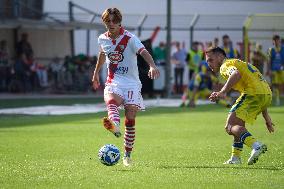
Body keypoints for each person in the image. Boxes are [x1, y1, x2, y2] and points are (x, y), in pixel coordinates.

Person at [92, 8, 160, 166]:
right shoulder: (102, 38)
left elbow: (143, 51)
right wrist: (96, 73)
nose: (111, 23)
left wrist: (152, 66)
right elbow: (102, 55)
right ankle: (114, 125)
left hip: (131, 83)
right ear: (104, 22)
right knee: (111, 102)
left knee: (130, 118)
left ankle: (127, 155)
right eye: (108, 21)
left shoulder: (129, 38)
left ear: (119, 21)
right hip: (114, 81)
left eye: (114, 20)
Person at [206, 46, 274, 165]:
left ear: (220, 56)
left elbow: (235, 74)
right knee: (237, 125)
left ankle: (256, 146)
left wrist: (222, 92)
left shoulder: (225, 65)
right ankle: (235, 158)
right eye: (207, 61)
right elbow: (261, 88)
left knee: (230, 126)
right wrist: (266, 116)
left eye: (210, 60)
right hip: (266, 94)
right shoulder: (239, 62)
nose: (209, 64)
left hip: (252, 93)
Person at [268, 35, 284, 106]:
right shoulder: (271, 50)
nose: (276, 42)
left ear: (279, 41)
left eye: (277, 40)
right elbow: (269, 60)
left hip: (281, 70)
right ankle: (277, 99)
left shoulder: (283, 49)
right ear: (273, 41)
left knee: (281, 84)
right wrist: (269, 70)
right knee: (275, 84)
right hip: (274, 70)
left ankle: (278, 97)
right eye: (275, 40)